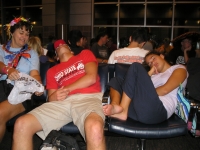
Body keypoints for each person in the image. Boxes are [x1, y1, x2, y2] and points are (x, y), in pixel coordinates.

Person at [12, 39, 106, 150]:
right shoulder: (52, 71)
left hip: (88, 98)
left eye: (64, 44)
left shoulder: (84, 54)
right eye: (57, 47)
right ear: (56, 56)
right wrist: (55, 96)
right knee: (21, 124)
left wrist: (66, 89)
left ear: (71, 50)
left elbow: (91, 78)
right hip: (62, 103)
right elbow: (50, 98)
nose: (60, 45)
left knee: (94, 127)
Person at [103, 50, 188, 124]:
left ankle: (123, 111)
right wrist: (149, 74)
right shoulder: (153, 76)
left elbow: (165, 90)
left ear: (161, 56)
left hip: (158, 111)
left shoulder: (179, 68)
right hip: (138, 110)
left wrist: (140, 93)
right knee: (117, 81)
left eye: (153, 58)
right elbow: (138, 86)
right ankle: (116, 106)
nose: (152, 63)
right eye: (149, 63)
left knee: (136, 66)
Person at [0, 16, 43, 142]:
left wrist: (38, 84)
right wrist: (8, 70)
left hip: (21, 94)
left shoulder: (32, 53)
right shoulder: (1, 49)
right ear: (12, 32)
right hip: (2, 88)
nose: (24, 36)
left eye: (27, 34)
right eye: (21, 32)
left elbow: (35, 75)